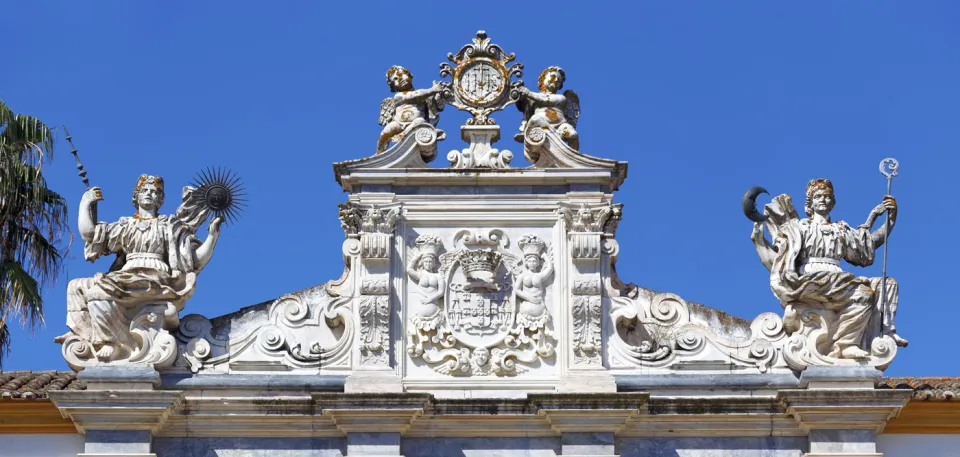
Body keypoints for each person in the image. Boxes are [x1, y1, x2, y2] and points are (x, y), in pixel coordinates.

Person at [57, 175, 222, 361]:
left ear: (160, 199)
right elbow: (90, 235)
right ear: (136, 196)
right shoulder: (126, 225)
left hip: (156, 277)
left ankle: (110, 342)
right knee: (79, 286)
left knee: (97, 293)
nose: (149, 194)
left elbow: (193, 261)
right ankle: (99, 338)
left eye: (154, 192)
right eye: (145, 190)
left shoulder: (168, 225)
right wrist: (85, 204)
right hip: (126, 275)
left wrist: (212, 237)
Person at [751, 178, 906, 359]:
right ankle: (846, 344)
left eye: (827, 196)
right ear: (810, 202)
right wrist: (760, 242)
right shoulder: (799, 229)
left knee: (886, 285)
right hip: (810, 278)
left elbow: (868, 245)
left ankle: (878, 334)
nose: (823, 199)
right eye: (818, 196)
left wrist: (890, 220)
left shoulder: (839, 230)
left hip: (838, 278)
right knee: (864, 294)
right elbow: (778, 261)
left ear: (832, 202)